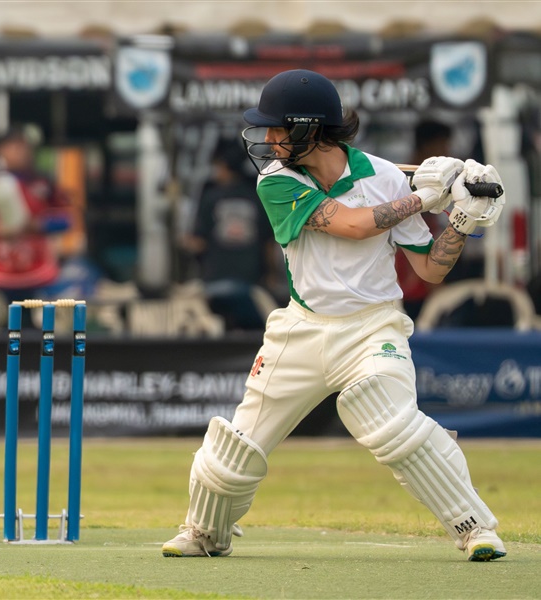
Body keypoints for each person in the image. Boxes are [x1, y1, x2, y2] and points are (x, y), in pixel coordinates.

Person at [161, 70, 507, 562]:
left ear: (309, 128)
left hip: (373, 328)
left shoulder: (385, 177)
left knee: (394, 427)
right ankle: (203, 531)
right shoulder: (276, 181)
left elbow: (430, 269)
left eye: (278, 128)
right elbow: (352, 224)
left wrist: (462, 217)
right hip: (300, 330)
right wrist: (427, 197)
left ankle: (475, 528)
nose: (270, 139)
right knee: (230, 456)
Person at [0, 126, 71, 303]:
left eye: (24, 146)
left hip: (39, 272)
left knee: (38, 323)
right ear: (0, 150)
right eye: (14, 146)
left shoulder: (43, 182)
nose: (20, 151)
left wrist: (38, 225)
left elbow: (65, 220)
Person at [182, 141, 283, 329]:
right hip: (252, 283)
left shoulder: (210, 197)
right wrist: (271, 275)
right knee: (254, 334)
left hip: (216, 281)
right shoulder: (256, 196)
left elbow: (199, 242)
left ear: (222, 165)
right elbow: (269, 242)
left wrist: (183, 242)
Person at [395, 119, 453, 319]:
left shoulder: (434, 181)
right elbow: (410, 240)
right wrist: (436, 285)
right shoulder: (406, 182)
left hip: (422, 281)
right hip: (409, 287)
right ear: (428, 146)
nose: (447, 152)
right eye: (443, 146)